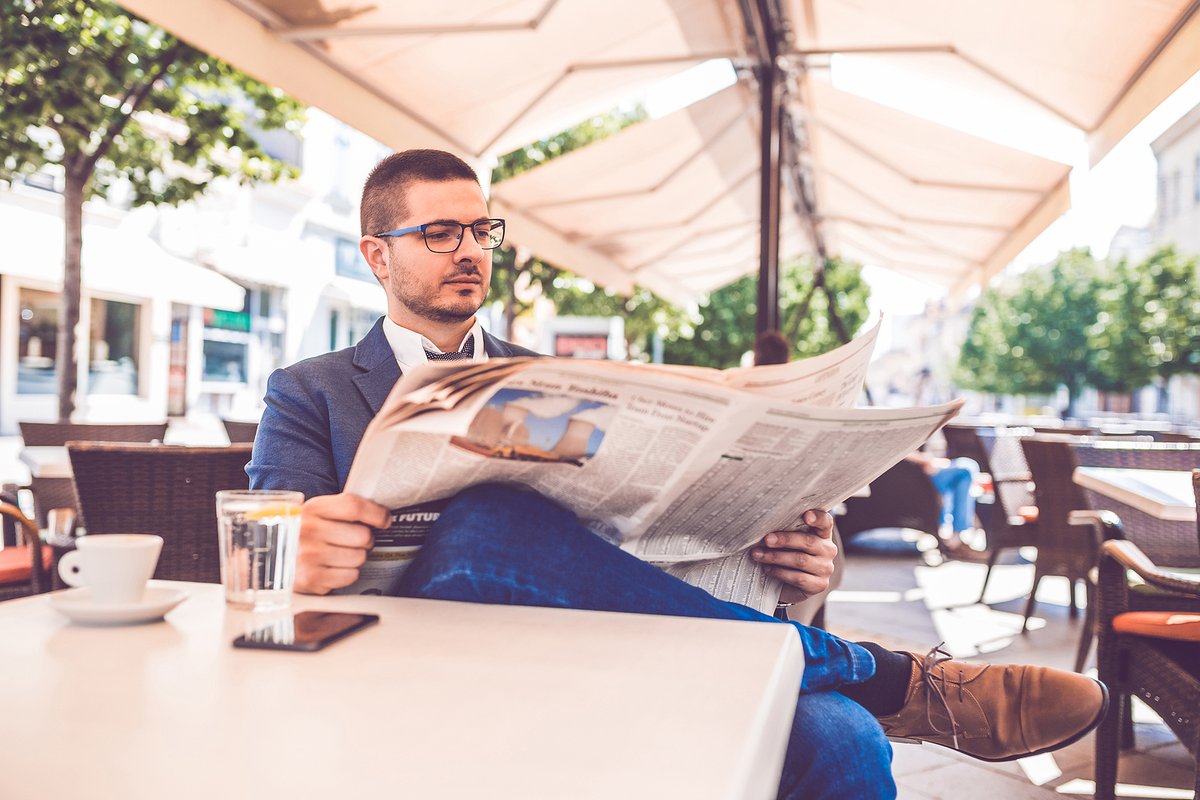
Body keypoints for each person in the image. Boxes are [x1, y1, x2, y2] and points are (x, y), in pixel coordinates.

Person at [249, 149, 1106, 800]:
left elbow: (628, 540)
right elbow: (256, 557)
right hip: (419, 665)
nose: (470, 250)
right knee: (484, 529)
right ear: (377, 255)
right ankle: (893, 678)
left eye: (482, 230)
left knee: (842, 736)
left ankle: (861, 683)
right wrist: (295, 546)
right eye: (441, 233)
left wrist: (809, 563)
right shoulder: (309, 390)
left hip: (595, 649)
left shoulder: (547, 376)